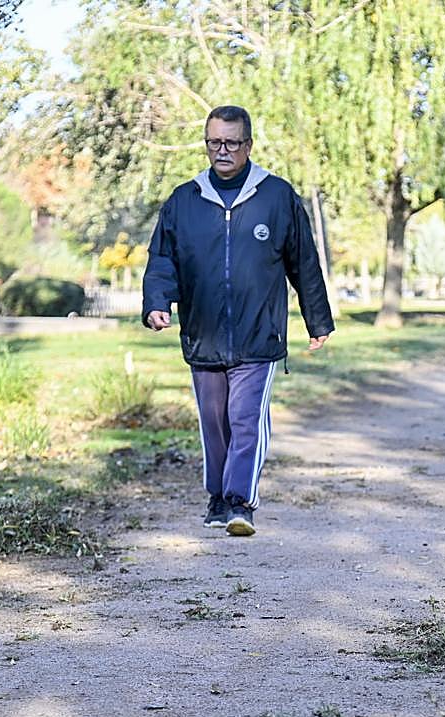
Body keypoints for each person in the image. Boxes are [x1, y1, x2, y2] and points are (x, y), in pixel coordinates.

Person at [142, 105, 334, 536]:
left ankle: (241, 503)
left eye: (231, 143)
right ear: (206, 143)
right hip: (203, 331)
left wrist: (317, 320)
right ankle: (216, 496)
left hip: (259, 333)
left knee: (246, 418)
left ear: (248, 145)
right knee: (214, 420)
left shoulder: (277, 196)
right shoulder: (184, 200)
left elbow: (303, 263)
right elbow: (163, 259)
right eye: (214, 142)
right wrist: (158, 301)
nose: (222, 151)